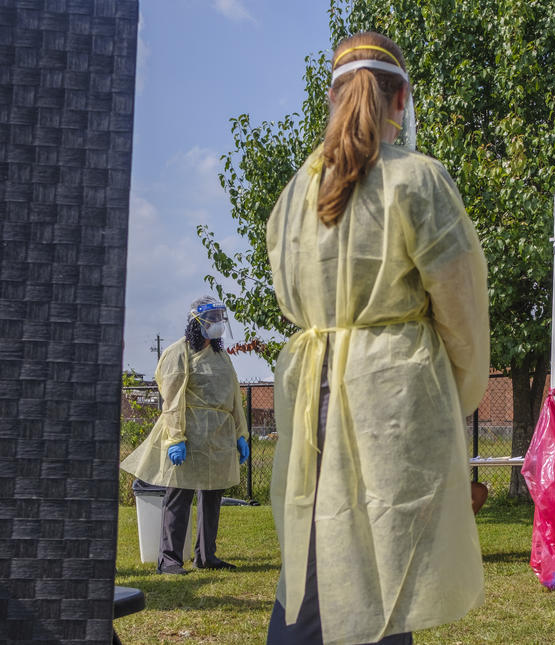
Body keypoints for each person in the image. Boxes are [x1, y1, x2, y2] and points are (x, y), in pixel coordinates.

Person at [265, 32, 490, 645]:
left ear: (333, 98)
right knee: (385, 565)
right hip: (392, 401)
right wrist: (459, 392)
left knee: (314, 558)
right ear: (402, 99)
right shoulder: (417, 180)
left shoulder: (294, 196)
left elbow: (291, 297)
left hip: (312, 392)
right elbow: (461, 309)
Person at [120, 296, 249, 575]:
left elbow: (234, 397)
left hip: (218, 438)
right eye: (211, 318)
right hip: (190, 435)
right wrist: (175, 438)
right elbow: (173, 399)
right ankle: (169, 559)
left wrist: (240, 433)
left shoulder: (221, 356)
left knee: (213, 494)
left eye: (219, 318)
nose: (217, 323)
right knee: (179, 494)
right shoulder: (178, 353)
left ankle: (206, 556)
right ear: (197, 321)